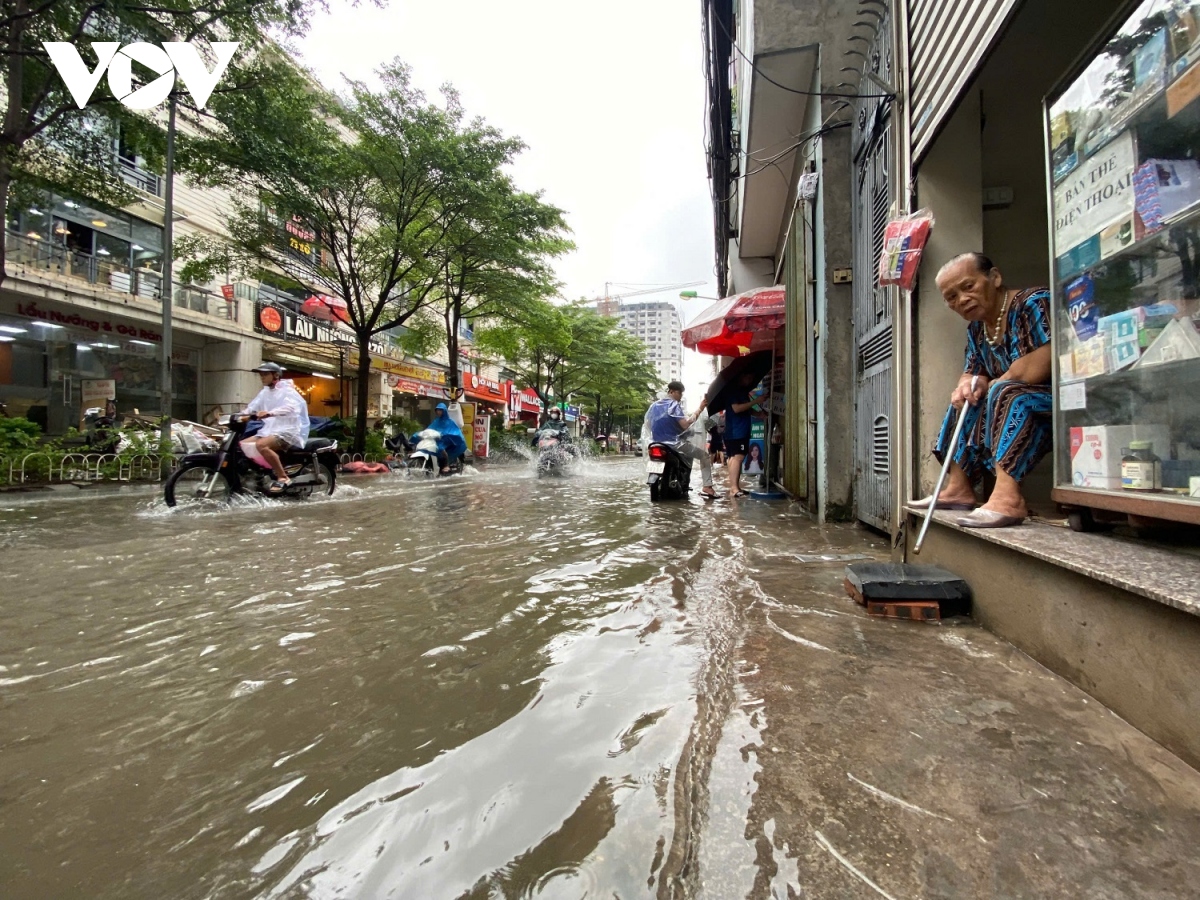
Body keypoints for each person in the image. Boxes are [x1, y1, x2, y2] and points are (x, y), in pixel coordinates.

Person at [912, 252, 1053, 528]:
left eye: (968, 287)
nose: (962, 299)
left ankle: (1008, 497)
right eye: (951, 297)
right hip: (1010, 401)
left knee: (1004, 392)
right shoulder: (977, 329)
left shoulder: (1033, 303)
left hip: (1058, 402)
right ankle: (958, 487)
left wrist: (990, 384)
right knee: (965, 400)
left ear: (995, 278)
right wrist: (967, 385)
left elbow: (1036, 369)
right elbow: (973, 370)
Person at [239, 362, 310, 494]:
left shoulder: (287, 390)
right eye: (261, 374)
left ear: (276, 375)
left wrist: (270, 413)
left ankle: (283, 477)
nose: (262, 377)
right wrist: (239, 415)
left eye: (265, 374)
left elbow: (292, 407)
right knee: (241, 445)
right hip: (269, 430)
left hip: (288, 431)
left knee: (261, 445)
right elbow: (252, 407)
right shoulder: (264, 392)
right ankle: (259, 474)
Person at [646, 380, 717, 498]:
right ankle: (707, 487)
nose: (680, 397)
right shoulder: (673, 405)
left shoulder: (653, 406)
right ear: (672, 392)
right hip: (674, 444)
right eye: (679, 394)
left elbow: (648, 425)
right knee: (704, 455)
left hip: (655, 443)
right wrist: (699, 409)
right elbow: (684, 425)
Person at [720, 372, 760, 497]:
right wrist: (757, 401)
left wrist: (760, 414)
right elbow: (737, 408)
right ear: (741, 376)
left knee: (733, 458)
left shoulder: (742, 392)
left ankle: (735, 488)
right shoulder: (734, 390)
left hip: (736, 431)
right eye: (748, 376)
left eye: (751, 378)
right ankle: (734, 488)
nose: (750, 380)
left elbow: (746, 409)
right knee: (738, 457)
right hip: (737, 431)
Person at [413, 402, 467, 474]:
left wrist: (444, 434)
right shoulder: (436, 421)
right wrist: (423, 433)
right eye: (437, 410)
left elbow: (454, 430)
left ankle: (446, 465)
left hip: (445, 440)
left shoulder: (449, 421)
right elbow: (430, 428)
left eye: (440, 410)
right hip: (435, 439)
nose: (438, 412)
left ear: (444, 411)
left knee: (441, 448)